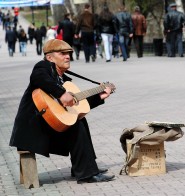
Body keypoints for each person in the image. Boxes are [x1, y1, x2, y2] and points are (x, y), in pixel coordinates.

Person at [9, 39, 115, 184]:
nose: (67, 56)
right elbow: (38, 77)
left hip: (50, 124)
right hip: (34, 129)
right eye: (62, 53)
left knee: (78, 119)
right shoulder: (43, 67)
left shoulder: (61, 78)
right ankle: (86, 173)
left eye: (69, 53)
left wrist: (99, 97)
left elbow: (74, 105)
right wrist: (61, 93)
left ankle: (85, 166)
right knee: (76, 125)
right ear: (49, 57)